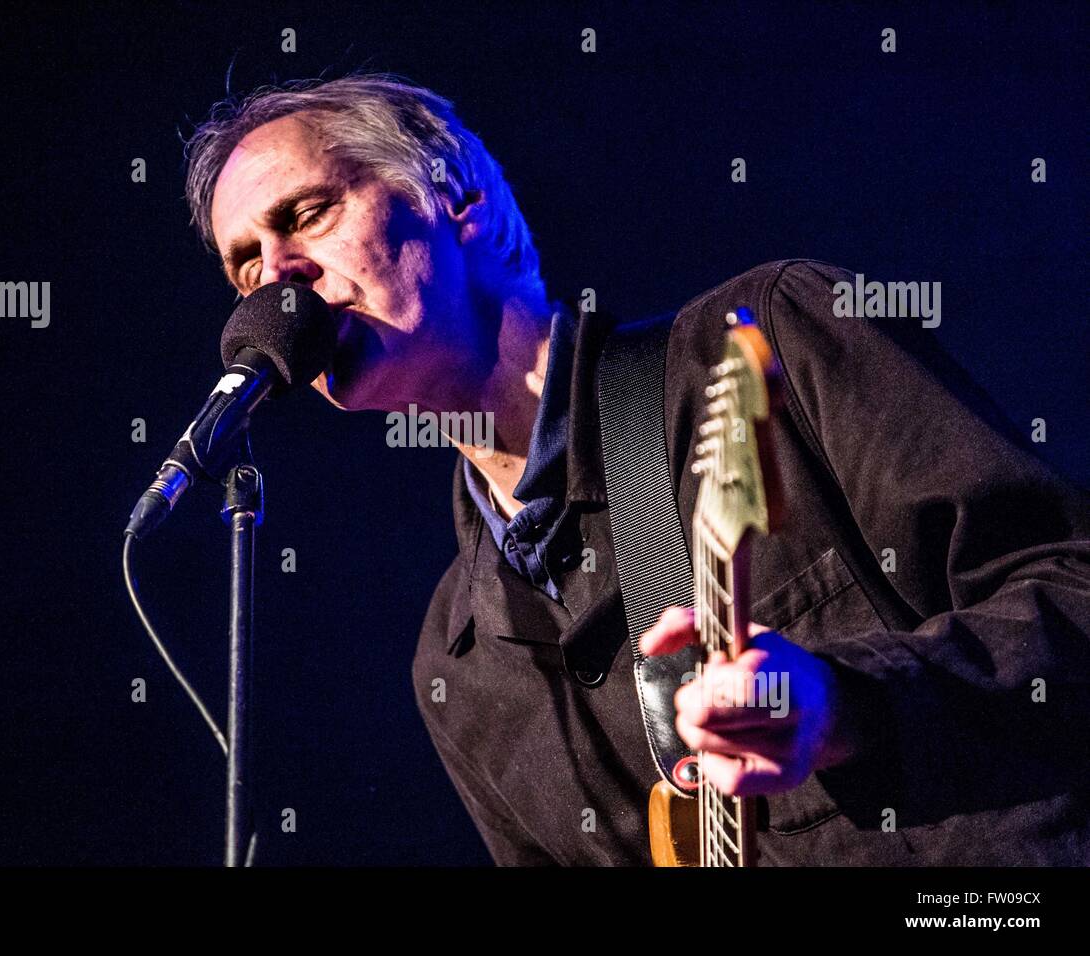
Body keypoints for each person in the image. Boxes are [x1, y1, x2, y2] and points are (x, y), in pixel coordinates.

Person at [185, 73, 1090, 865]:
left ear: (459, 197)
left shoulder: (768, 336)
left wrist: (848, 701)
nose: (278, 280)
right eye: (245, 266)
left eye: (305, 215)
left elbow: (1072, 591)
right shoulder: (455, 664)